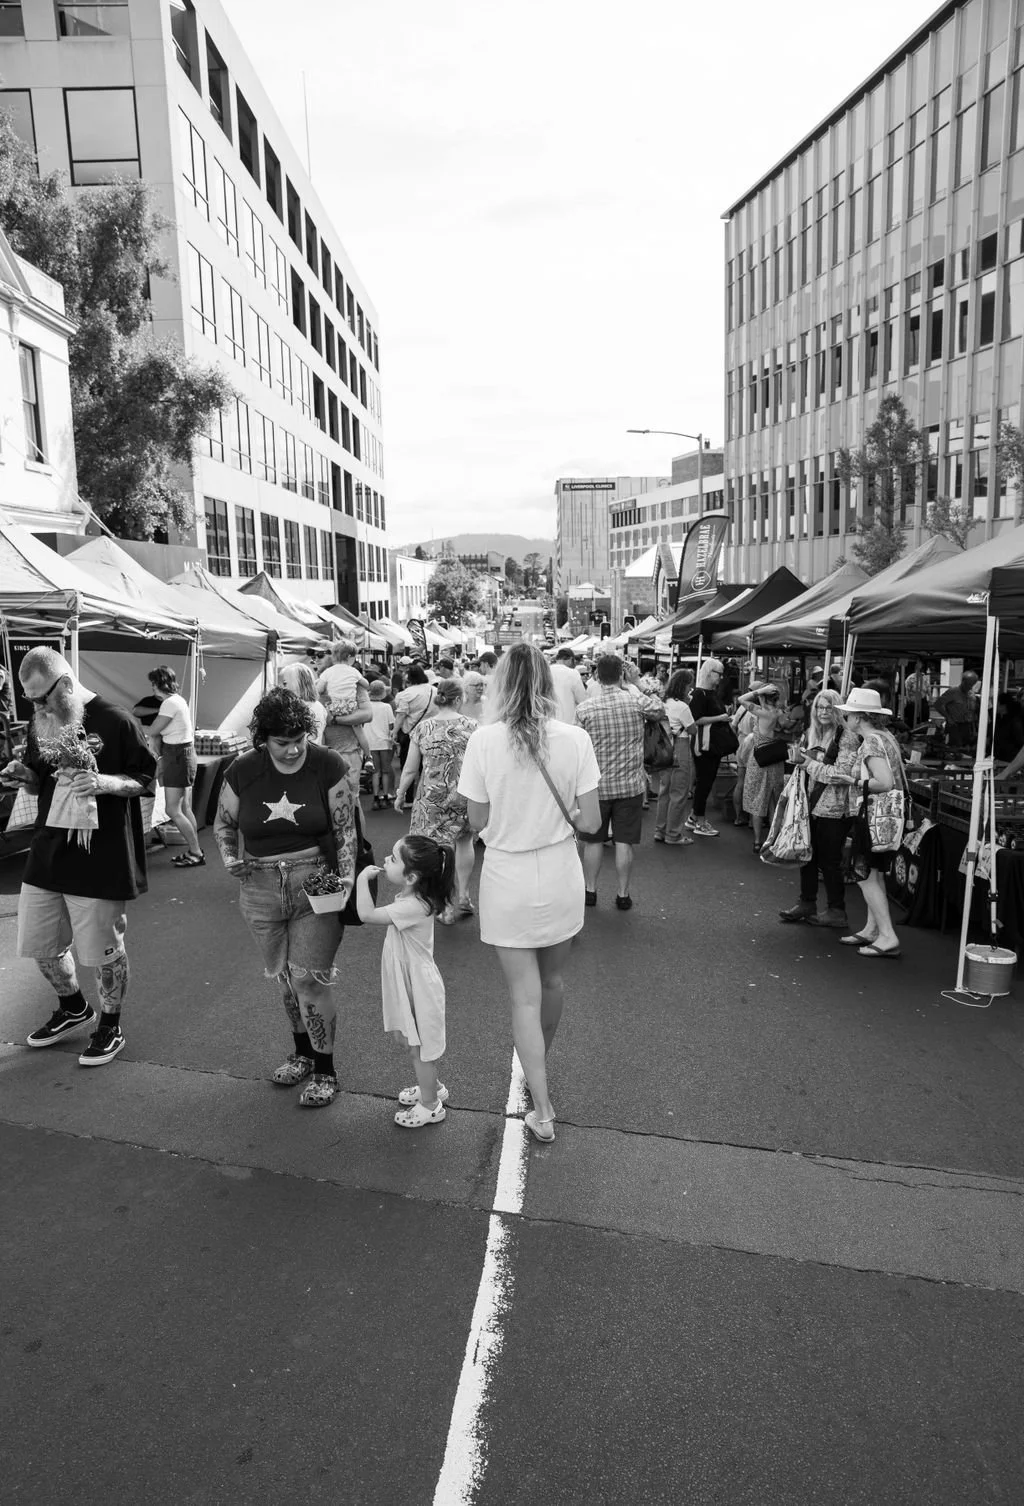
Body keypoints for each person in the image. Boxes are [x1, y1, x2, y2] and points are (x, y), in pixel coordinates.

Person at [457, 643, 601, 1142]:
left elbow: (477, 820)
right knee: (553, 981)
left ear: (500, 685)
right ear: (548, 683)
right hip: (560, 870)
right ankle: (539, 1067)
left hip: (507, 875)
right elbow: (592, 821)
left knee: (524, 996)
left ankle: (543, 1105)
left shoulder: (483, 741)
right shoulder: (575, 738)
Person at [1, 647, 156, 1065]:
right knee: (40, 944)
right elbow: (41, 783)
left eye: (42, 698)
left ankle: (110, 1025)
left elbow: (144, 780)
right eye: (30, 700)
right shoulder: (41, 722)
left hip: (100, 856)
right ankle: (73, 1008)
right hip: (48, 851)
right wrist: (24, 776)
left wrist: (105, 782)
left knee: (104, 951)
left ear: (66, 684)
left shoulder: (116, 719)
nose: (37, 708)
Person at [214, 687, 358, 1107]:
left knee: (308, 978)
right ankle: (302, 1054)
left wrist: (346, 879)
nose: (294, 749)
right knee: (285, 978)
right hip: (259, 885)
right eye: (283, 742)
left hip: (316, 882)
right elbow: (224, 824)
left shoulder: (327, 763)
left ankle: (325, 1070)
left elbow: (345, 828)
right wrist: (229, 857)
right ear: (264, 739)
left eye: (299, 739)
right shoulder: (243, 769)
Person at [356, 833, 455, 1128]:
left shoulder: (414, 906)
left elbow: (366, 914)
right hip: (413, 982)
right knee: (415, 1043)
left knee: (420, 1048)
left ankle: (431, 1105)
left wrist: (361, 880)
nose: (386, 860)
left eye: (393, 858)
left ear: (411, 877)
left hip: (419, 986)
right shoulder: (412, 898)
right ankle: (432, 1087)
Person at [575, 654, 664, 910]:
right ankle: (623, 894)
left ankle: (590, 890)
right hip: (630, 785)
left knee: (593, 841)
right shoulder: (635, 702)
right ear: (621, 675)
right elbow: (659, 709)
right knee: (624, 842)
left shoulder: (585, 709)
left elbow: (576, 746)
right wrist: (636, 683)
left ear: (596, 676)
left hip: (596, 786)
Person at [394, 678, 477, 923]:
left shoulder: (423, 728)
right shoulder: (473, 726)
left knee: (437, 850)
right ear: (459, 699)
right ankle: (464, 896)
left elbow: (410, 768)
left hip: (432, 796)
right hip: (465, 793)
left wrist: (400, 793)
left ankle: (445, 905)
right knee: (464, 841)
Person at [836, 686, 906, 959]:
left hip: (872, 816)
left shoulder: (871, 742)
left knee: (864, 875)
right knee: (874, 874)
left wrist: (853, 781)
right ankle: (872, 928)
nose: (846, 719)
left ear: (858, 717)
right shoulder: (886, 736)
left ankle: (887, 935)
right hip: (884, 817)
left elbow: (884, 782)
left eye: (849, 714)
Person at [781, 689, 860, 928]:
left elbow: (841, 775)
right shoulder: (811, 733)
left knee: (829, 861)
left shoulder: (846, 737)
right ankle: (807, 902)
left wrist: (807, 763)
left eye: (828, 707)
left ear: (838, 710)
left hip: (834, 808)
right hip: (810, 803)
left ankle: (837, 910)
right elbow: (808, 766)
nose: (823, 712)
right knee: (807, 855)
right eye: (819, 707)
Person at [144, 665, 204, 868]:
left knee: (172, 809)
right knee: (184, 807)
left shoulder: (169, 703)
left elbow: (153, 730)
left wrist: (135, 724)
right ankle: (195, 849)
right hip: (181, 755)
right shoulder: (177, 701)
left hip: (177, 756)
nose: (152, 687)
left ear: (158, 684)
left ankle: (196, 852)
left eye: (153, 683)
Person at [735, 682, 788, 854]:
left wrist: (759, 691)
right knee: (774, 801)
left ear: (763, 697)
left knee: (758, 800)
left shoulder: (762, 712)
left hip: (759, 760)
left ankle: (758, 841)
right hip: (776, 761)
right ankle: (772, 839)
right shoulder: (779, 713)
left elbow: (741, 699)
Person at [316, 641, 373, 798]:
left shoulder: (354, 683)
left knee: (349, 798)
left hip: (348, 752)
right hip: (324, 752)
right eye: (314, 655)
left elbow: (368, 714)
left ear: (333, 656)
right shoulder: (318, 682)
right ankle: (369, 756)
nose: (316, 659)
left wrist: (334, 719)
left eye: (321, 654)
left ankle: (368, 757)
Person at [686, 658, 735, 838]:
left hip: (711, 745)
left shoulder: (710, 693)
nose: (721, 678)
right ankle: (700, 821)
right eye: (719, 674)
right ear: (709, 673)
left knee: (705, 782)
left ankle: (694, 817)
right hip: (704, 745)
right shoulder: (700, 694)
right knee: (704, 783)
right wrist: (720, 718)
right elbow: (695, 719)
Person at [653, 669, 695, 846]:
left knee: (665, 791)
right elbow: (692, 729)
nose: (690, 688)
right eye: (689, 685)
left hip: (663, 747)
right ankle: (673, 834)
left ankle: (660, 830)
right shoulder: (682, 706)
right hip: (680, 746)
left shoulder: (663, 703)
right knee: (679, 792)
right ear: (684, 686)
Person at [393, 663, 437, 801]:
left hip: (410, 734)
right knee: (428, 766)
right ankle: (427, 794)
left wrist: (394, 732)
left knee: (408, 766)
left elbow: (401, 716)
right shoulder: (435, 691)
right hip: (432, 732)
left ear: (409, 679)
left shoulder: (406, 694)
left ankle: (408, 797)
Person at [278, 661, 328, 744]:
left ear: (297, 683)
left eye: (285, 683)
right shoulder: (313, 706)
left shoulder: (312, 708)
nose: (283, 688)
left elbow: (309, 741)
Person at [366, 681, 396, 808]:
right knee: (385, 771)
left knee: (375, 772)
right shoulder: (386, 707)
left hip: (370, 742)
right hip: (385, 742)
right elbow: (391, 725)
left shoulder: (366, 706)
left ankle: (375, 797)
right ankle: (385, 796)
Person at [935, 672, 979, 750]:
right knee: (955, 749)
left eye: (972, 685)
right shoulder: (953, 692)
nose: (970, 687)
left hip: (967, 726)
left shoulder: (970, 693)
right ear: (963, 681)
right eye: (969, 684)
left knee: (966, 749)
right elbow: (937, 704)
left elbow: (973, 709)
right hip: (955, 726)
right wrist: (948, 717)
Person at [550, 647, 586, 725]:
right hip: (568, 722)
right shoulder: (573, 673)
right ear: (570, 659)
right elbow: (582, 700)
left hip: (549, 722)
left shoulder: (546, 670)